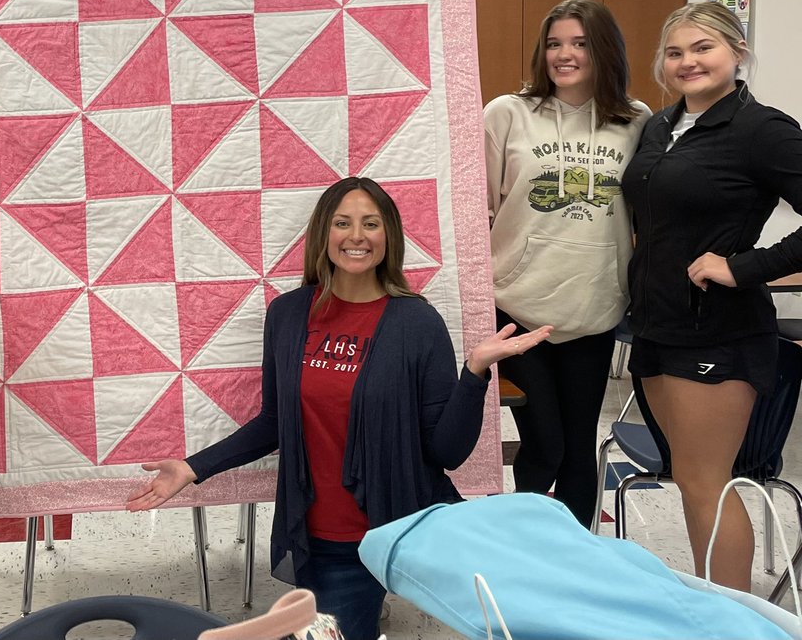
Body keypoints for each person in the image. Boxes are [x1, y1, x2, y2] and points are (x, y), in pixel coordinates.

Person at [127, 176, 550, 640]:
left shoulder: (416, 321)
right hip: (320, 537)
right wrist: (193, 467)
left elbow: (446, 451)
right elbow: (274, 422)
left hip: (390, 531)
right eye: (343, 223)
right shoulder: (288, 315)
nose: (356, 236)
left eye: (371, 224)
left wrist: (474, 372)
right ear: (322, 236)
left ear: (388, 236)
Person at [623, 1, 802, 591]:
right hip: (655, 326)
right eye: (675, 52)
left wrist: (745, 267)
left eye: (704, 48)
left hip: (718, 334)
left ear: (737, 52)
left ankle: (732, 624)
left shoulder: (761, 130)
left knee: (707, 486)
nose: (688, 62)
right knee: (689, 484)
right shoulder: (660, 125)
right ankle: (708, 608)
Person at [484, 0, 651, 527]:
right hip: (517, 305)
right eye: (555, 43)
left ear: (604, 50)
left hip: (595, 307)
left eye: (579, 43)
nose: (564, 54)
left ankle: (578, 563)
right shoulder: (507, 113)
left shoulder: (638, 120)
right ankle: (524, 552)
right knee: (545, 446)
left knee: (580, 448)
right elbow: (478, 208)